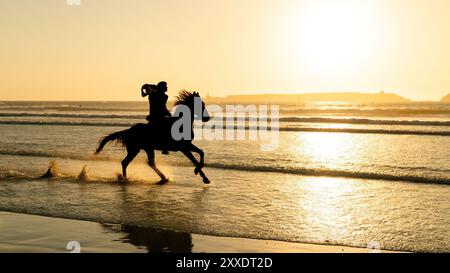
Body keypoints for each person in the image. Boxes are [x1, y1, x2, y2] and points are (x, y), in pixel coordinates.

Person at [141, 81, 171, 154]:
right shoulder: (155, 95)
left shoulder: (155, 95)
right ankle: (165, 147)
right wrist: (168, 113)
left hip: (158, 116)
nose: (167, 87)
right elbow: (162, 108)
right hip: (156, 117)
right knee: (167, 128)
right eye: (165, 86)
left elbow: (163, 107)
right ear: (161, 88)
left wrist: (169, 113)